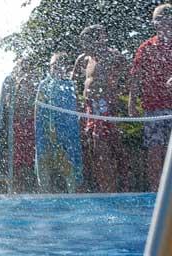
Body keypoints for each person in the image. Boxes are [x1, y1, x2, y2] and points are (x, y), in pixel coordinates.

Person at [72, 25, 128, 193]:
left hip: (105, 106)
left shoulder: (113, 56)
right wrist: (78, 100)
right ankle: (104, 186)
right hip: (90, 107)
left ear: (99, 39)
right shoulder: (84, 58)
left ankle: (113, 187)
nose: (84, 46)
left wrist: (117, 93)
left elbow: (129, 76)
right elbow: (72, 80)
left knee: (104, 145)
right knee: (93, 146)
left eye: (87, 41)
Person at [129, 4, 172, 192]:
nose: (158, 22)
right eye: (156, 19)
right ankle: (156, 193)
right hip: (153, 109)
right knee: (155, 152)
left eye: (162, 17)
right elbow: (136, 77)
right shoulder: (146, 47)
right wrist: (132, 102)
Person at [35, 52, 83, 193]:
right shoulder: (43, 85)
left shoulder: (70, 86)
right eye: (52, 65)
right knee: (44, 170)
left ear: (65, 67)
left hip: (66, 137)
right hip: (45, 135)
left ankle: (73, 197)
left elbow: (76, 109)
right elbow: (37, 110)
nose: (55, 68)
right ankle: (44, 198)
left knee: (71, 170)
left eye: (58, 65)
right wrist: (39, 136)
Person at [8, 59, 40, 193]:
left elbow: (38, 104)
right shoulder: (13, 86)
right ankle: (15, 190)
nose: (26, 71)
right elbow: (10, 105)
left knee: (34, 162)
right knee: (17, 164)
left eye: (28, 68)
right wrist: (19, 86)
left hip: (31, 126)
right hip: (18, 127)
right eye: (23, 68)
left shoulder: (34, 86)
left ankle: (36, 190)